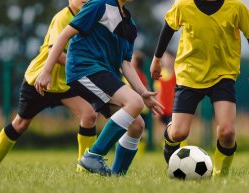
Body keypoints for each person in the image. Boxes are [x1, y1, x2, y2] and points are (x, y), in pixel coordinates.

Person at [35, 0, 163, 176]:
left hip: (104, 73)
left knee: (137, 125)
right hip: (83, 68)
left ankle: (117, 176)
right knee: (134, 103)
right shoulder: (99, 4)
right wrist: (46, 70)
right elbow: (64, 35)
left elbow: (125, 63)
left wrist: (143, 92)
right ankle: (93, 156)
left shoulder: (130, 25)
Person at [150, 0, 249, 177]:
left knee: (227, 132)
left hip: (223, 75)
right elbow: (168, 27)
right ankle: (170, 138)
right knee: (179, 133)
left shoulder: (235, 6)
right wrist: (157, 59)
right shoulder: (183, 5)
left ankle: (220, 176)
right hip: (189, 75)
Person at [0, 0, 98, 172]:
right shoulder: (62, 18)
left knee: (89, 115)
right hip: (40, 80)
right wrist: (86, 66)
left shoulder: (90, 19)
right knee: (20, 124)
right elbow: (55, 53)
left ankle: (84, 169)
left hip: (65, 84)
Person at [154, 50, 176, 126]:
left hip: (174, 108)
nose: (167, 61)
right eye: (165, 58)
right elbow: (156, 92)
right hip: (162, 108)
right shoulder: (159, 74)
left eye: (169, 58)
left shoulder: (177, 74)